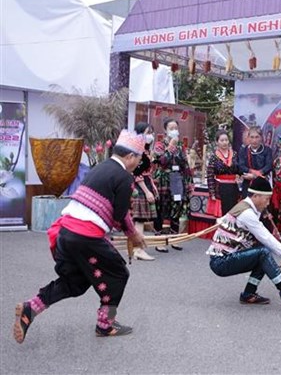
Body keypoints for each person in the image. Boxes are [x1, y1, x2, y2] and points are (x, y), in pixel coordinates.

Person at [13, 130, 147, 343]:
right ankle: (105, 324)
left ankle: (31, 308)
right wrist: (134, 235)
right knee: (119, 274)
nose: (139, 163)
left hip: (66, 232)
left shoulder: (99, 168)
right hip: (86, 236)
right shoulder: (124, 177)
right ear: (131, 156)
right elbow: (120, 215)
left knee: (76, 281)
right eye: (139, 158)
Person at [208, 177, 281, 304]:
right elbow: (265, 236)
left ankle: (248, 293)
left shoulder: (246, 206)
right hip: (221, 261)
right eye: (266, 199)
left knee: (262, 256)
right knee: (263, 252)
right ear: (255, 196)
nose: (268, 203)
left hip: (226, 257)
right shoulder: (247, 213)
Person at [152, 118, 192, 251]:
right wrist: (170, 147)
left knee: (176, 208)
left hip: (177, 179)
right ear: (165, 130)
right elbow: (162, 161)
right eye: (171, 128)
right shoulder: (159, 144)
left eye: (176, 128)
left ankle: (174, 239)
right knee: (163, 210)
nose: (174, 130)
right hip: (164, 179)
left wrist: (189, 183)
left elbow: (185, 165)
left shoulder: (181, 145)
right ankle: (160, 241)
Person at [130, 122, 158, 261]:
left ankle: (136, 248)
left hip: (145, 183)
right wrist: (147, 191)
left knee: (139, 219)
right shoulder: (138, 151)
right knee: (139, 219)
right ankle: (138, 249)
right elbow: (137, 174)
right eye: (148, 133)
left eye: (151, 132)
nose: (150, 136)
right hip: (139, 186)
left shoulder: (145, 150)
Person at [206, 129, 240, 220]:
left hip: (233, 188)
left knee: (233, 214)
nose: (224, 142)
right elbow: (210, 175)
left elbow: (239, 170)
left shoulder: (235, 154)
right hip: (220, 188)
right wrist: (212, 193)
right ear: (217, 142)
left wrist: (239, 177)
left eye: (226, 140)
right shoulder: (214, 157)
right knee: (222, 215)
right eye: (222, 140)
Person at [238, 126, 273, 198]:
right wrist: (251, 171)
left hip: (263, 182)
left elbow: (269, 165)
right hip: (248, 183)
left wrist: (256, 175)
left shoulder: (267, 150)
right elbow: (241, 166)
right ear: (248, 138)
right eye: (252, 137)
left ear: (261, 138)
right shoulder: (243, 150)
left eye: (257, 137)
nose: (254, 140)